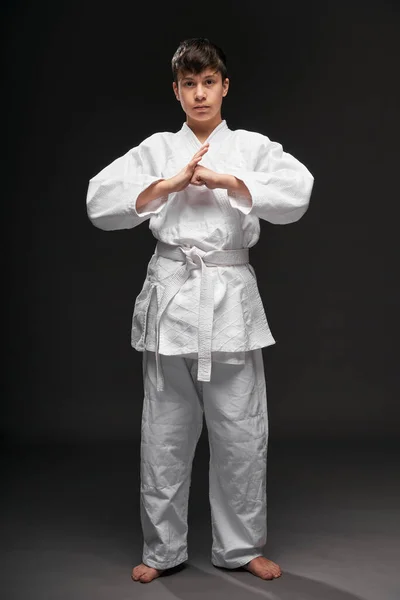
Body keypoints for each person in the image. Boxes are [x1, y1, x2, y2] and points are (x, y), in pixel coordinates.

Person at [86, 37, 314, 584]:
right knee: (165, 430)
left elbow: (299, 192)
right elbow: (98, 202)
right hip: (172, 295)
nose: (199, 93)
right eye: (188, 84)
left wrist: (231, 181)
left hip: (229, 298)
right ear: (176, 91)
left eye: (208, 81)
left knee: (240, 429)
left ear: (224, 85)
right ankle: (163, 549)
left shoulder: (253, 147)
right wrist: (168, 185)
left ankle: (239, 547)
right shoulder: (159, 148)